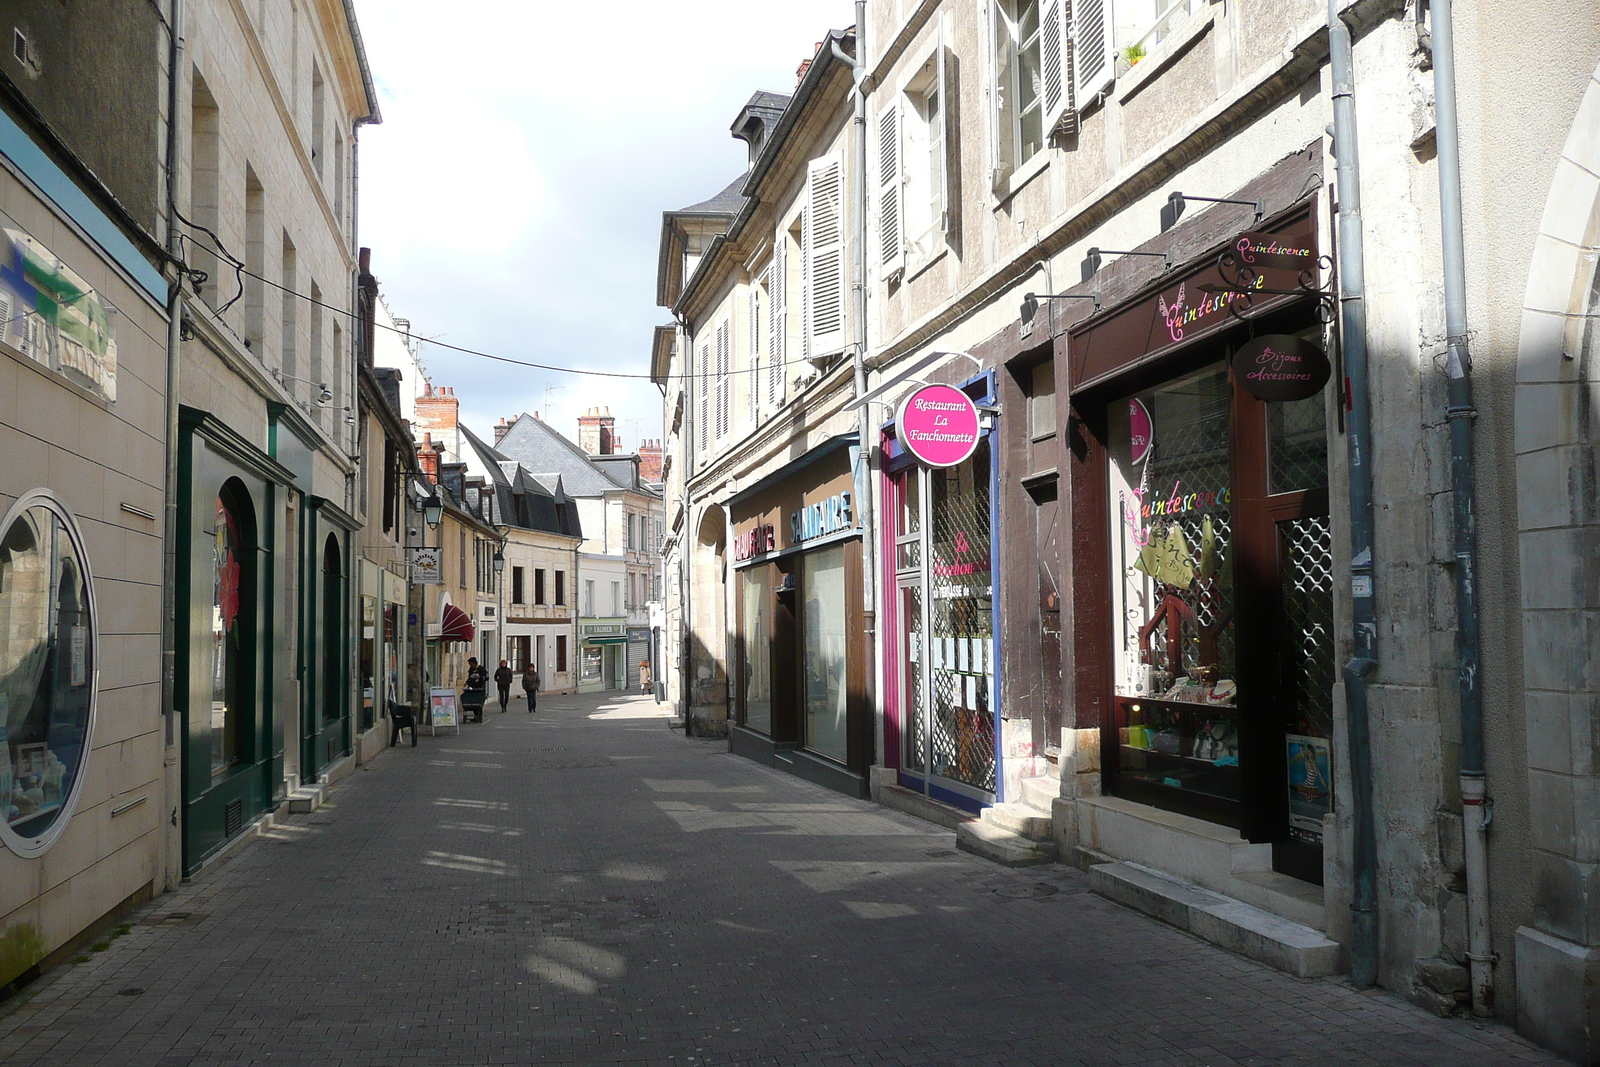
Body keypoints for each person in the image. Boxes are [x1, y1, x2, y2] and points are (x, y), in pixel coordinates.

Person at [462, 657, 488, 723]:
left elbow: (486, 677)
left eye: (470, 663)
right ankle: (475, 715)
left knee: (479, 703)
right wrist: (467, 682)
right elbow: (470, 677)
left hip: (479, 688)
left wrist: (480, 677)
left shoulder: (481, 669)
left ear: (474, 663)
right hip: (472, 687)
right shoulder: (471, 669)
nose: (470, 664)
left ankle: (479, 716)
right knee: (472, 701)